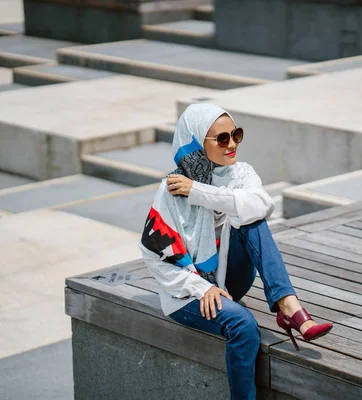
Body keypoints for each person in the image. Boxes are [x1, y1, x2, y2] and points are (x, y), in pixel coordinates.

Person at [139, 103, 332, 400]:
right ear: (196, 143)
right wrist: (201, 288)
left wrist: (199, 191)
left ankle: (288, 305)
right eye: (221, 138)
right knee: (243, 325)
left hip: (228, 280)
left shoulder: (240, 173)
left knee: (252, 221)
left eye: (236, 134)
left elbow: (262, 206)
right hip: (187, 294)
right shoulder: (173, 189)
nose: (232, 144)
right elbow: (154, 254)